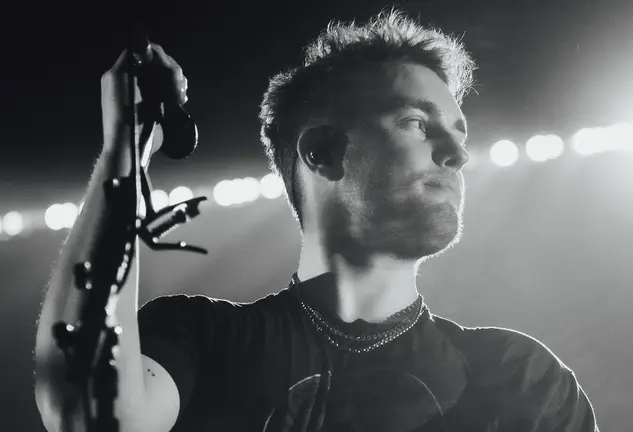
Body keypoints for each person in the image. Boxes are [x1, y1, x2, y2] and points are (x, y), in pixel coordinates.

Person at [33, 9, 598, 432]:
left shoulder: (519, 378)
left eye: (459, 131)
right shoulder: (201, 343)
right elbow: (93, 415)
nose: (457, 152)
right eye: (416, 123)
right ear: (322, 153)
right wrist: (125, 153)